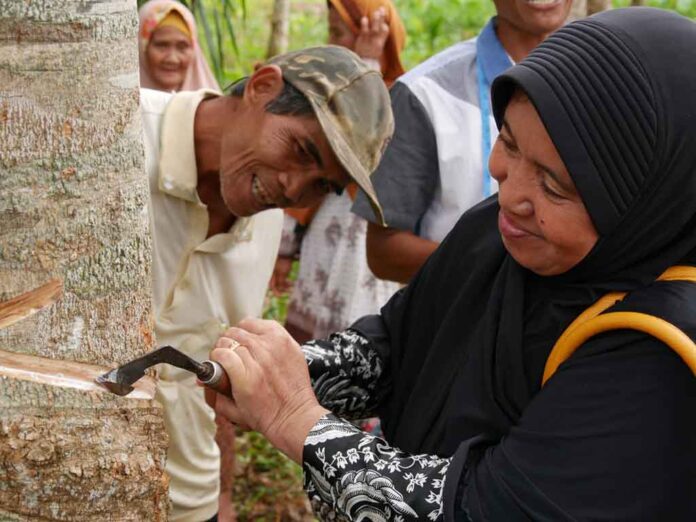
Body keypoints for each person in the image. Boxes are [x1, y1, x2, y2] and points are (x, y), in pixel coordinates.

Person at [208, 8, 696, 520]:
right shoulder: (504, 234)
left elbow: (478, 509)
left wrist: (296, 417)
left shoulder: (656, 353)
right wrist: (283, 372)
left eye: (553, 185)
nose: (510, 192)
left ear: (644, 206)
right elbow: (402, 342)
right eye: (508, 141)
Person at [140, 46, 393, 521]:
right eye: (301, 150)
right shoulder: (118, 138)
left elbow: (214, 380)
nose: (294, 189)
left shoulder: (266, 225)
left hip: (185, 503)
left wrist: (221, 496)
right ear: (261, 87)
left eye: (323, 186)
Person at [352, 0, 571, 284]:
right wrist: (499, 269)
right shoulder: (426, 94)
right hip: (461, 320)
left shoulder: (605, 82)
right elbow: (385, 251)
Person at [273, 0, 406, 343]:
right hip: (327, 229)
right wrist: (285, 250)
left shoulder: (405, 95)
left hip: (367, 237)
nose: (333, 43)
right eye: (330, 31)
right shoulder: (324, 96)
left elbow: (369, 142)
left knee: (359, 331)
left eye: (339, 32)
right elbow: (302, 167)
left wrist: (366, 66)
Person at [138, 0, 219, 92]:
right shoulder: (122, 103)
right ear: (141, 49)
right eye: (162, 45)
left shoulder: (212, 104)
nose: (172, 59)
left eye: (182, 47)